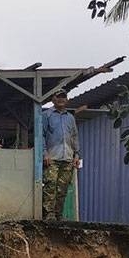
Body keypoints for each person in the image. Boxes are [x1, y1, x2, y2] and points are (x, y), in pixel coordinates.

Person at [41, 90, 82, 221]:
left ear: (67, 100)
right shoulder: (46, 115)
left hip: (68, 157)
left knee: (62, 188)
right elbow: (40, 135)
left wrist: (76, 155)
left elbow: (74, 136)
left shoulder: (70, 117)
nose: (61, 99)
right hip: (52, 157)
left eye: (63, 97)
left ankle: (58, 215)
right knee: (50, 186)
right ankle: (48, 214)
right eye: (58, 97)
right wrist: (44, 153)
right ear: (53, 99)